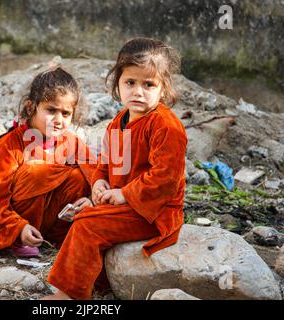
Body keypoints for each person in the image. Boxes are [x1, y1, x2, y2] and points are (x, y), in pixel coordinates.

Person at [42, 37, 187, 300]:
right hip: (125, 204)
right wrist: (99, 182)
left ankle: (69, 297)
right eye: (130, 82)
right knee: (80, 214)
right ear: (118, 83)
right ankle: (103, 286)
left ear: (163, 88)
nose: (138, 91)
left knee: (88, 226)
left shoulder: (166, 126)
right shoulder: (119, 121)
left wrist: (125, 194)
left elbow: (166, 179)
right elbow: (107, 162)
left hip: (154, 211)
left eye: (148, 84)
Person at [0, 66, 96, 257]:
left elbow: (97, 174)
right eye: (51, 110)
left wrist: (90, 200)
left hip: (53, 228)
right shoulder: (10, 145)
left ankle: (57, 239)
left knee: (78, 176)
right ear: (31, 107)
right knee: (36, 171)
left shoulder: (71, 141)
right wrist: (18, 228)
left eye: (66, 114)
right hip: (20, 225)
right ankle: (20, 240)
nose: (58, 120)